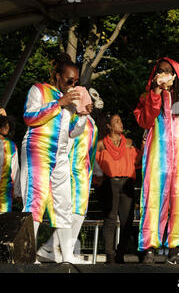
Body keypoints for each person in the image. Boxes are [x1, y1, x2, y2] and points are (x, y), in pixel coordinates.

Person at [20, 53, 90, 264]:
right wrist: (59, 103)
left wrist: (84, 115)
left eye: (75, 81)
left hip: (60, 155)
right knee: (35, 201)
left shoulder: (69, 100)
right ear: (57, 76)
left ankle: (67, 256)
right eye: (69, 79)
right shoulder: (39, 89)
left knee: (64, 203)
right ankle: (28, 255)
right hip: (37, 149)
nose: (72, 83)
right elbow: (29, 117)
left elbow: (72, 133)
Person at [134, 57, 179, 264]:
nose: (164, 74)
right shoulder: (147, 96)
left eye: (168, 71)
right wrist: (155, 92)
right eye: (160, 71)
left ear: (176, 75)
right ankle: (148, 248)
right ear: (154, 74)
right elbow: (144, 120)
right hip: (156, 158)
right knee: (153, 201)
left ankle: (177, 249)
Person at [36, 113, 98, 263]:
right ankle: (62, 251)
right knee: (74, 212)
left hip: (83, 171)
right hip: (72, 169)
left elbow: (91, 149)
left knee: (79, 212)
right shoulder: (71, 116)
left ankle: (51, 248)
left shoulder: (90, 120)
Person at [95, 113, 141, 264]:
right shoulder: (101, 144)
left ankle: (120, 253)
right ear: (109, 126)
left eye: (121, 120)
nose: (121, 123)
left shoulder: (128, 143)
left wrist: (145, 145)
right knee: (110, 219)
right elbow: (93, 162)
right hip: (110, 183)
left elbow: (137, 161)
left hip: (127, 182)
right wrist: (99, 179)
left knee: (127, 220)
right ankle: (109, 255)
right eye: (116, 121)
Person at [0, 109, 20, 212]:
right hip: (4, 198)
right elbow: (15, 172)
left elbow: (15, 171)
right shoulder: (10, 146)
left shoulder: (11, 146)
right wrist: (18, 193)